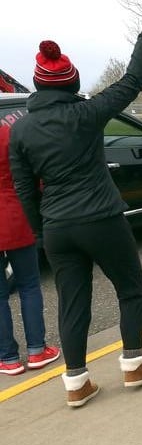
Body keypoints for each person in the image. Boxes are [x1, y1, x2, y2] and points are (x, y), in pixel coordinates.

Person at [9, 11, 142, 407]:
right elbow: (131, 82)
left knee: (72, 303)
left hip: (57, 227)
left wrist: (41, 230)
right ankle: (133, 365)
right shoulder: (87, 113)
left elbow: (23, 188)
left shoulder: (20, 129)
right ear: (72, 83)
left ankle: (76, 383)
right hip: (102, 217)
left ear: (37, 84)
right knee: (130, 289)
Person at [0, 124, 60, 376]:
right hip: (16, 215)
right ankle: (37, 349)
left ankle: (7, 357)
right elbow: (34, 174)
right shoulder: (10, 133)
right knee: (29, 286)